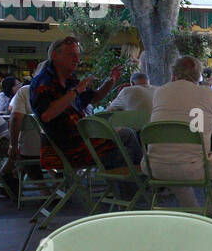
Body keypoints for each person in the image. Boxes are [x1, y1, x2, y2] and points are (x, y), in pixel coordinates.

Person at [148, 55, 212, 221]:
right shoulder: (207, 94)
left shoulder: (160, 92)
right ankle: (210, 213)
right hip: (193, 167)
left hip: (155, 166)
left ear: (174, 72)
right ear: (198, 75)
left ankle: (194, 214)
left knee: (178, 162)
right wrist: (206, 123)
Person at [30, 36, 141, 171]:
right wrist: (75, 92)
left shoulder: (70, 81)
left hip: (84, 141)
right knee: (126, 143)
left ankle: (130, 183)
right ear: (55, 55)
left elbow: (95, 97)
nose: (77, 60)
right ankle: (139, 184)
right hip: (67, 149)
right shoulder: (42, 83)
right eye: (72, 55)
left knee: (125, 150)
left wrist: (111, 80)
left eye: (77, 56)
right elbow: (47, 114)